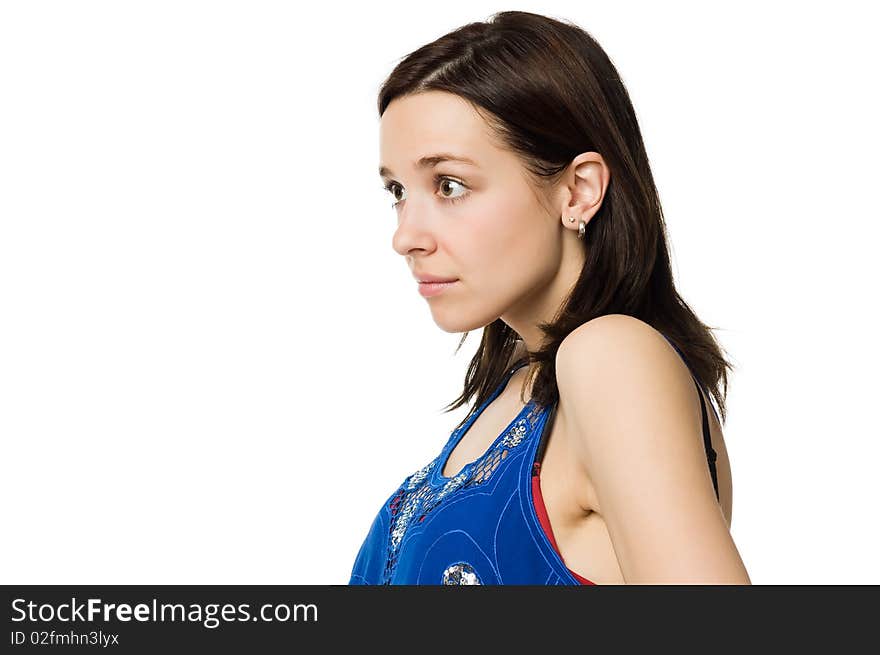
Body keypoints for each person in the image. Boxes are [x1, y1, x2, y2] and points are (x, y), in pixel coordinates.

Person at [349, 10, 751, 585]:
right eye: (398, 191)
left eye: (450, 186)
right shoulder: (520, 386)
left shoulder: (611, 358)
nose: (405, 236)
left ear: (579, 190)